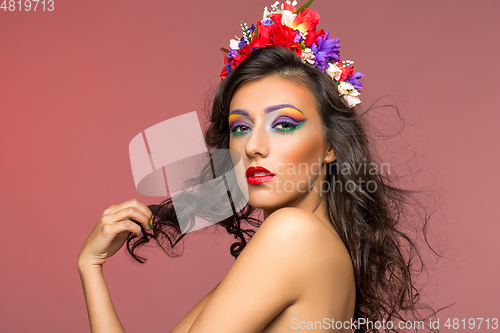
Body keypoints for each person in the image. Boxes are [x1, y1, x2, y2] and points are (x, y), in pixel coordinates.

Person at [78, 2, 435, 332]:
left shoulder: (293, 234)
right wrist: (91, 269)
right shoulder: (300, 244)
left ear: (330, 146)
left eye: (283, 124)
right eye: (240, 127)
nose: (253, 147)